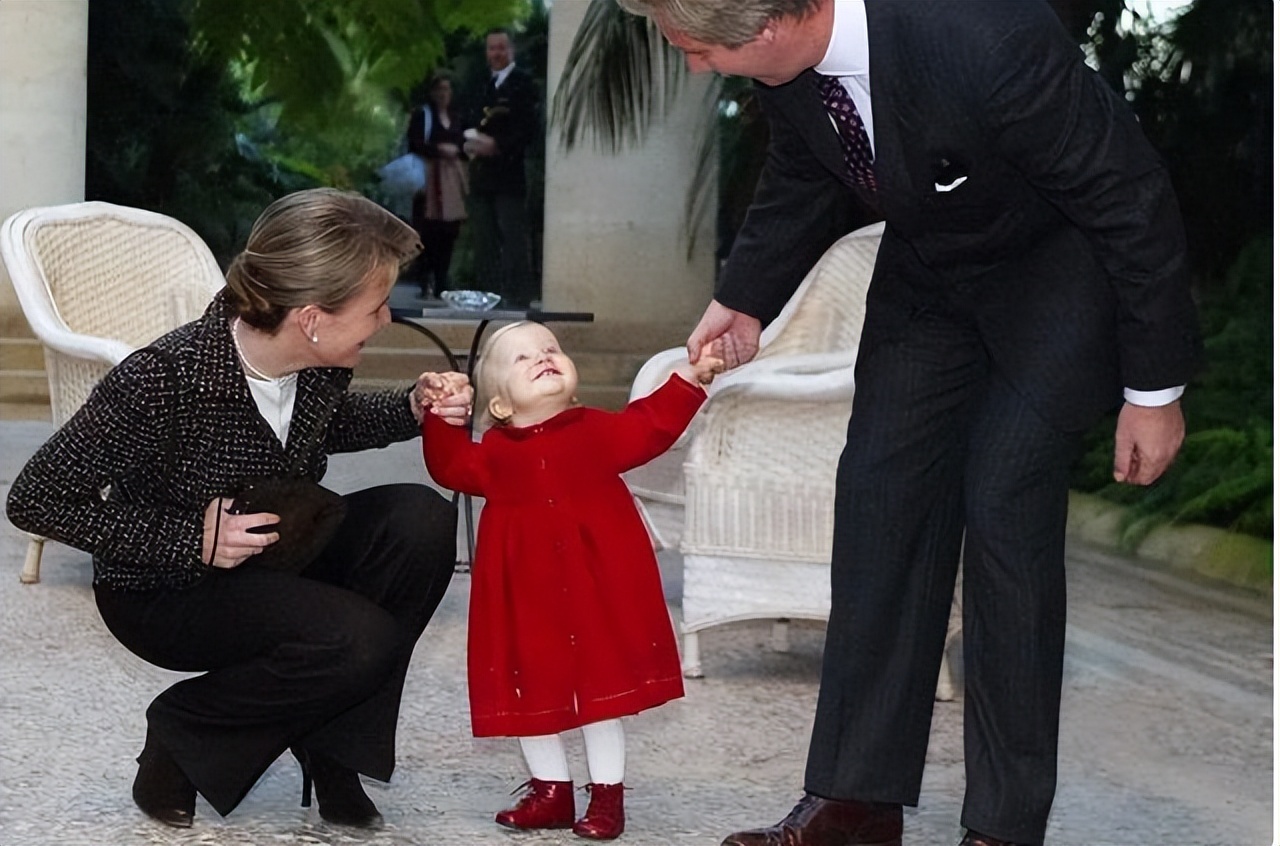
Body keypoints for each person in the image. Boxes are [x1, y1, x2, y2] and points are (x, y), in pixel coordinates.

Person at [618, 2, 1202, 845]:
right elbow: (804, 173)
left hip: (1056, 280)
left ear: (774, 24)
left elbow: (1129, 195)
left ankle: (1003, 827)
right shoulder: (788, 68)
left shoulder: (985, 36)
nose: (699, 69)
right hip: (928, 286)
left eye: (699, 51)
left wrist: (1154, 391)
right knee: (880, 501)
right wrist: (743, 297)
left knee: (1004, 511)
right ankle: (854, 802)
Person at [6, 188, 474, 831]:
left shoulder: (311, 362)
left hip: (280, 548)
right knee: (355, 640)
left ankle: (332, 747)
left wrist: (410, 410)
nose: (386, 319)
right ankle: (180, 733)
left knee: (420, 520)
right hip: (165, 589)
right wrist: (188, 539)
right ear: (312, 317)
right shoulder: (163, 377)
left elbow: (315, 427)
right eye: (375, 307)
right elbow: (35, 497)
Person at [421, 322, 722, 840]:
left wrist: (690, 378)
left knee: (601, 695)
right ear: (498, 405)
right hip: (525, 598)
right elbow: (449, 464)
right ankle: (550, 791)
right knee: (528, 693)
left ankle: (607, 797)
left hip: (596, 590)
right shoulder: (493, 454)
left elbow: (650, 423)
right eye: (522, 359)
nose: (542, 357)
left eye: (551, 349)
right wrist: (440, 417)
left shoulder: (595, 430)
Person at [464, 27, 539, 307]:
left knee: (513, 237)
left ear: (511, 50)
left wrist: (496, 145)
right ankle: (488, 296)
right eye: (491, 48)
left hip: (509, 175)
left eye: (501, 48)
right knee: (484, 239)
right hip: (481, 176)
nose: (496, 53)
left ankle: (518, 297)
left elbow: (528, 129)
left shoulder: (524, 84)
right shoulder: (479, 83)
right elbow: (467, 117)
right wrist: (470, 141)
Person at [408, 71, 470, 299]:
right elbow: (414, 143)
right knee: (427, 230)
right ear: (433, 92)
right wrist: (438, 150)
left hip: (450, 179)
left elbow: (464, 143)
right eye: (440, 89)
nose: (444, 94)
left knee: (449, 230)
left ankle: (443, 278)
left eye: (447, 89)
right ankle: (425, 277)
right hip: (429, 179)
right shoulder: (423, 115)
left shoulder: (457, 117)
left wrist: (459, 150)